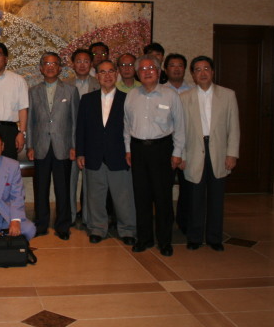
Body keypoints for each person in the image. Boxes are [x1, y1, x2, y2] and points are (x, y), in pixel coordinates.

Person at [124, 54, 185, 257]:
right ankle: (144, 238)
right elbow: (126, 126)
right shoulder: (132, 95)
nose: (147, 72)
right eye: (142, 69)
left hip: (162, 149)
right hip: (138, 149)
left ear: (158, 72)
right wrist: (128, 149)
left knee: (163, 198)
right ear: (137, 73)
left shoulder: (170, 95)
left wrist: (177, 153)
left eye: (151, 68)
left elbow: (180, 126)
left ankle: (165, 241)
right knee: (141, 197)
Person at [180, 56, 240, 251]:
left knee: (216, 198)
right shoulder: (184, 98)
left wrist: (232, 153)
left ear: (213, 72)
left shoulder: (228, 95)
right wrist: (181, 155)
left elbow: (234, 127)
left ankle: (215, 238)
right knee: (194, 198)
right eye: (198, 70)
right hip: (194, 152)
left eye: (206, 68)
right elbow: (180, 130)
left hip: (219, 152)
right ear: (193, 75)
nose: (202, 73)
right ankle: (194, 237)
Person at [76, 60, 136, 245]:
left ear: (116, 74)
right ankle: (97, 228)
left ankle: (127, 229)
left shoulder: (128, 99)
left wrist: (130, 151)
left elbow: (132, 128)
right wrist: (80, 152)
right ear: (97, 76)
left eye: (111, 71)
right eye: (103, 72)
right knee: (95, 195)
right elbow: (81, 128)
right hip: (93, 155)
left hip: (119, 155)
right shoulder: (87, 99)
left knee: (123, 196)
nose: (107, 75)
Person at [27, 52, 79, 239]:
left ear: (60, 68)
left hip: (63, 146)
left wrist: (74, 146)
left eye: (54, 64)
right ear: (41, 68)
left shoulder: (71, 91)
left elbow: (75, 121)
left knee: (62, 189)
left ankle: (63, 226)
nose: (50, 67)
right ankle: (41, 224)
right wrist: (30, 146)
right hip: (40, 146)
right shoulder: (33, 91)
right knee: (40, 188)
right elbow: (30, 121)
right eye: (46, 64)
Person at [64, 48, 100, 226]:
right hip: (70, 141)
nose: (82, 64)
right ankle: (70, 216)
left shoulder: (99, 84)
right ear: (72, 64)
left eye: (86, 61)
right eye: (78, 61)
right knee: (69, 182)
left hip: (92, 141)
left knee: (90, 184)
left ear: (91, 64)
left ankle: (87, 218)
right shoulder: (65, 85)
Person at [163, 52, 193, 234]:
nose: (176, 69)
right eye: (172, 65)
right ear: (166, 69)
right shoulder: (160, 91)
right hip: (165, 148)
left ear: (185, 69)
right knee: (164, 189)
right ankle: (166, 223)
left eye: (180, 65)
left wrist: (183, 151)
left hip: (189, 147)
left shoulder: (193, 92)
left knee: (188, 187)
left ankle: (185, 222)